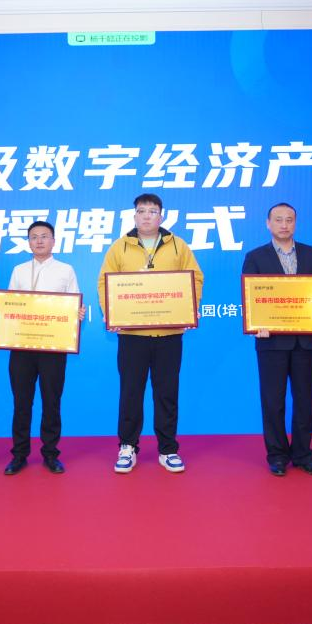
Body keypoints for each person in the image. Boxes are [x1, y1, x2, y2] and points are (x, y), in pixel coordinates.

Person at [96, 193, 204, 474]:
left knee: (167, 393)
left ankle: (168, 449)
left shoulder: (178, 245)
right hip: (132, 336)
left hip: (169, 335)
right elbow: (104, 282)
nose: (147, 216)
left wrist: (189, 308)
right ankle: (127, 447)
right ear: (134, 216)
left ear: (161, 216)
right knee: (130, 392)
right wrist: (111, 313)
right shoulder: (120, 247)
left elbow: (195, 277)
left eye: (152, 211)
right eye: (142, 211)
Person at [241, 202, 312, 477]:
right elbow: (251, 298)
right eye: (278, 219)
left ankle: (303, 454)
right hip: (270, 341)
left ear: (295, 223)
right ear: (268, 224)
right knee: (272, 401)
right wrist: (255, 323)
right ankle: (277, 456)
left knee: (304, 400)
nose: (284, 224)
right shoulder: (255, 257)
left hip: (305, 341)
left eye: (289, 219)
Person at [0, 221, 84, 475]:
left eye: (45, 236)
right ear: (29, 242)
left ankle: (51, 454)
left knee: (51, 402)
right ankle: (19, 454)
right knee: (22, 402)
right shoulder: (19, 270)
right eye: (34, 237)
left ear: (54, 241)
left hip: (53, 348)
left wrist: (77, 314)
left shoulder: (66, 270)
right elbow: (9, 306)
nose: (40, 241)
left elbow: (74, 306)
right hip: (22, 347)